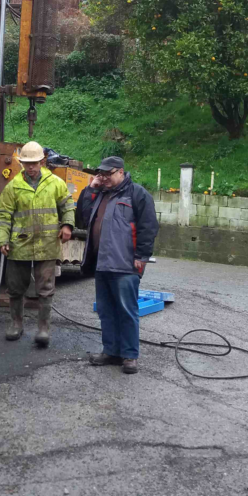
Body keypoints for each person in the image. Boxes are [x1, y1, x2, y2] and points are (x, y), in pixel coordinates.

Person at [76, 156, 158, 374]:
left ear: (121, 172)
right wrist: (90, 189)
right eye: (101, 174)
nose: (104, 178)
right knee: (105, 310)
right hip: (102, 264)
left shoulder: (137, 194)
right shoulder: (100, 194)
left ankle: (130, 355)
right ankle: (111, 351)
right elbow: (82, 219)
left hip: (125, 265)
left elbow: (148, 227)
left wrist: (142, 256)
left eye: (108, 174)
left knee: (127, 310)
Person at [0, 141, 75, 347]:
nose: (30, 167)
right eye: (26, 163)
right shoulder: (13, 187)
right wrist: (2, 239)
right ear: (21, 163)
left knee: (46, 289)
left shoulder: (55, 183)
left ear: (42, 161)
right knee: (15, 288)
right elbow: (3, 216)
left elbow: (67, 205)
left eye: (34, 163)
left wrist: (67, 225)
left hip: (47, 245)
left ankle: (43, 328)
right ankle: (16, 324)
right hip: (19, 246)